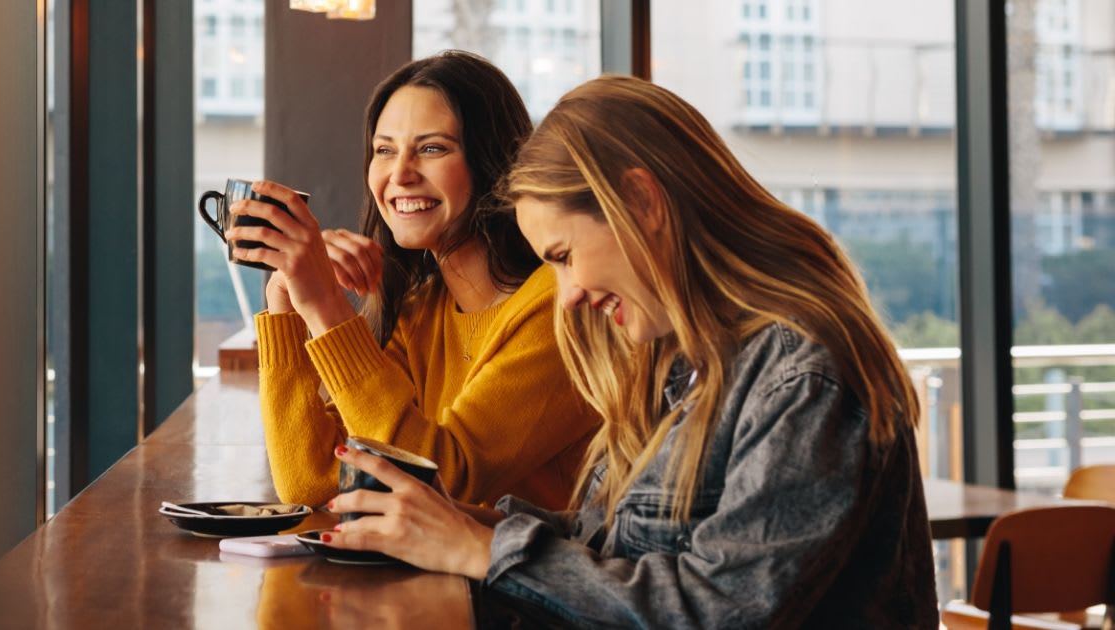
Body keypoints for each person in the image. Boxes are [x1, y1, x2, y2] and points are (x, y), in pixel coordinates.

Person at [318, 75, 939, 628]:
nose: (567, 296)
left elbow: (722, 610)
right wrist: (446, 525)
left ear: (641, 202)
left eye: (563, 257)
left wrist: (477, 548)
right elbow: (610, 543)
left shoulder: (804, 373)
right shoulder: (679, 361)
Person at [224, 51, 599, 509]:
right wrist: (285, 298)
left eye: (432, 148)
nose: (399, 174)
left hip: (520, 577)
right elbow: (314, 481)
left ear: (492, 160)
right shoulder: (424, 305)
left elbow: (444, 484)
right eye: (384, 150)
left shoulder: (564, 306)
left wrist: (326, 305)